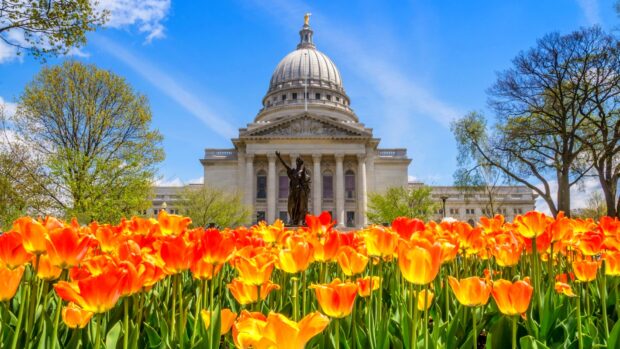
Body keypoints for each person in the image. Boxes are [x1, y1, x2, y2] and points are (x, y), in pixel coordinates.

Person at [275, 151, 311, 225]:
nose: (298, 164)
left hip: (299, 190)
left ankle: (304, 217)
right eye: (298, 163)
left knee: (302, 197)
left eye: (300, 163)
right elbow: (285, 165)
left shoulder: (302, 172)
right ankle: (292, 218)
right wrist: (279, 157)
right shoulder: (293, 171)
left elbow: (306, 180)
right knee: (291, 202)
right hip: (293, 190)